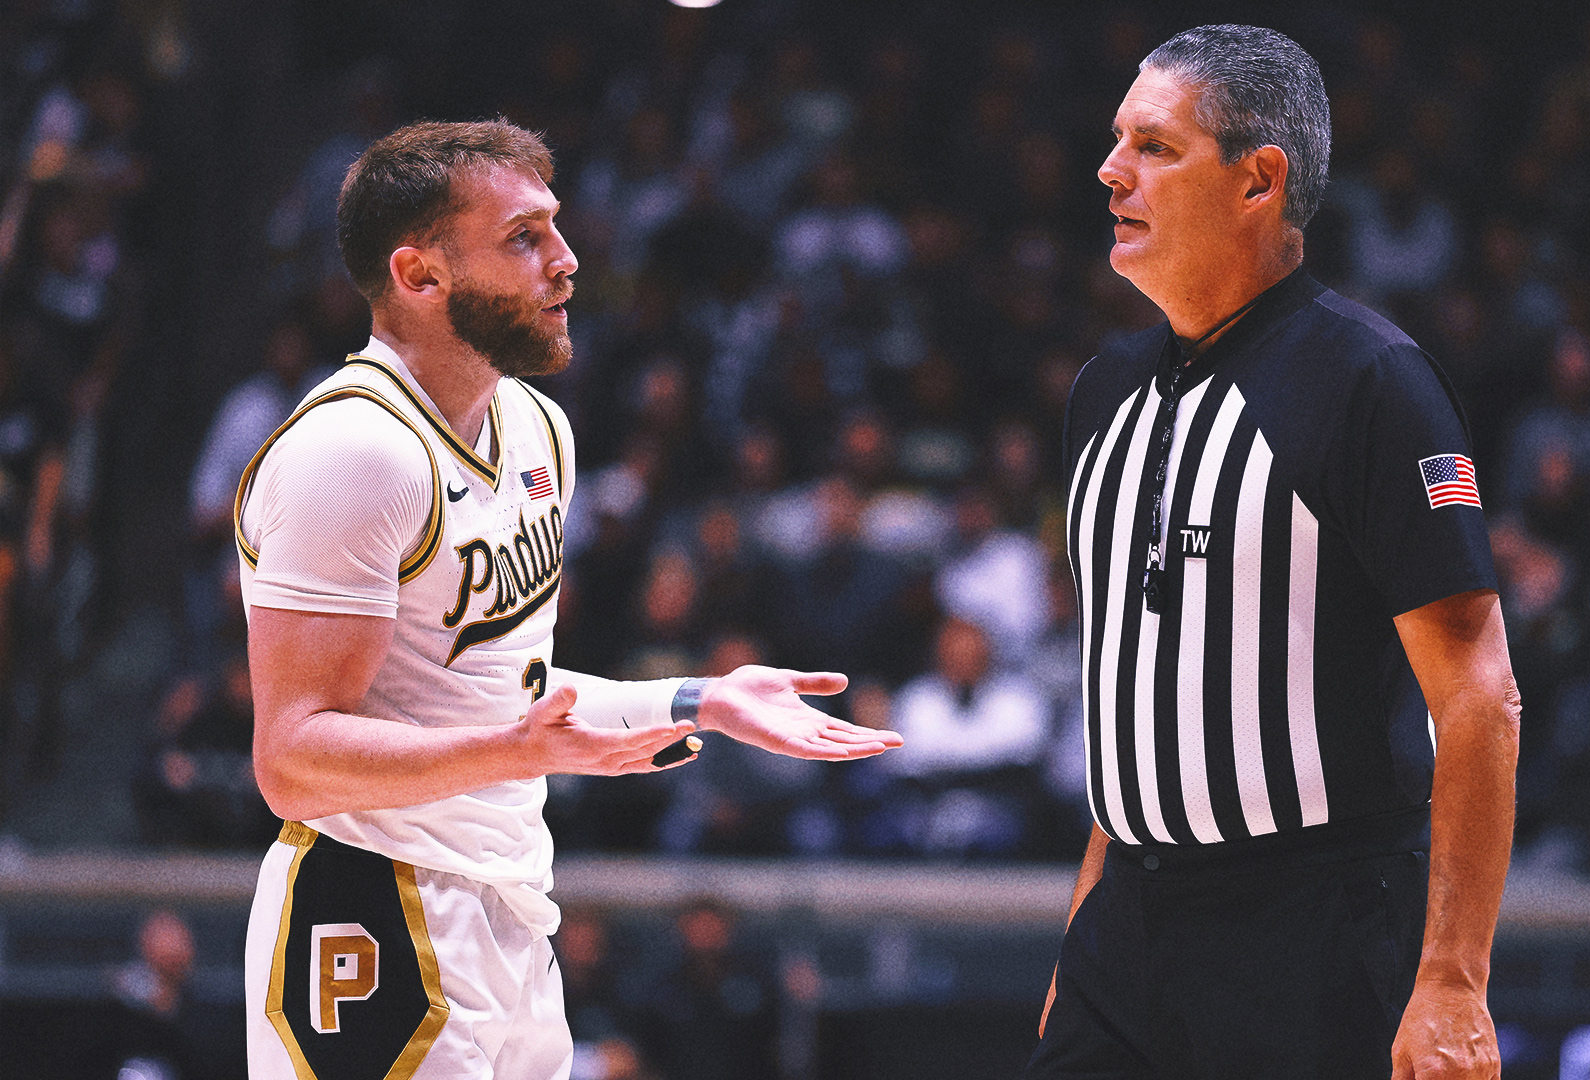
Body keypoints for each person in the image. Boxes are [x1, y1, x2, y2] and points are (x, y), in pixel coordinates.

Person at [236, 120, 901, 1080]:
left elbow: (508, 694)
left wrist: (697, 700)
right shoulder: (353, 451)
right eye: (524, 237)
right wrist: (515, 751)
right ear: (419, 275)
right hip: (374, 906)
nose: (568, 259)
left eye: (554, 226)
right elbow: (292, 759)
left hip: (511, 905)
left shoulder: (537, 427)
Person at [1029, 26, 1517, 1080]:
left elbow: (1480, 696)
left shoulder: (1372, 381)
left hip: (1316, 928)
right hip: (1127, 927)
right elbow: (1137, 704)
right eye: (1117, 139)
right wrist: (1084, 941)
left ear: (1259, 181)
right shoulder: (1102, 391)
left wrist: (1453, 978)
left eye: (1155, 147)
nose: (1110, 169)